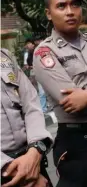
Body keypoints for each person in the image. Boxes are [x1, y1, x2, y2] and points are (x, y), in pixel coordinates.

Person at [33, 0, 87, 186]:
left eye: (75, 5)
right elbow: (72, 103)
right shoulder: (44, 53)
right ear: (49, 14)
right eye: (61, 6)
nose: (70, 11)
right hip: (78, 142)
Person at [1, 49, 53, 187]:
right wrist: (15, 170)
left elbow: (31, 103)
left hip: (31, 159)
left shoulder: (5, 56)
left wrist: (35, 151)